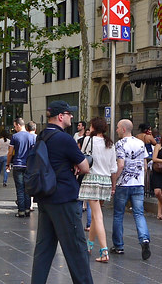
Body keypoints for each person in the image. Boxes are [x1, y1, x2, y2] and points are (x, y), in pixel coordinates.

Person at [30, 101, 93, 284]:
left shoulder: (42, 136)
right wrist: (85, 160)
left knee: (44, 248)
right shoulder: (64, 138)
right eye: (69, 113)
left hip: (45, 197)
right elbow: (85, 167)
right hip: (64, 199)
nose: (71, 117)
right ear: (60, 116)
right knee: (76, 249)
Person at [110, 118, 151, 260]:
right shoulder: (140, 143)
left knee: (118, 214)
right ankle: (144, 239)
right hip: (138, 183)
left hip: (123, 184)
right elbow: (145, 166)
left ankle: (118, 245)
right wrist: (142, 181)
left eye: (117, 128)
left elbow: (120, 165)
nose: (116, 130)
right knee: (139, 214)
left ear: (123, 129)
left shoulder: (120, 144)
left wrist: (114, 182)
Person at [78, 116, 116, 263]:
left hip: (93, 179)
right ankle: (89, 245)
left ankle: (104, 251)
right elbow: (113, 167)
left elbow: (83, 158)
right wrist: (113, 185)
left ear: (93, 127)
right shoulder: (110, 144)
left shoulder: (89, 140)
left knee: (97, 215)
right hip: (106, 180)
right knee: (95, 215)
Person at [9, 117, 35, 217]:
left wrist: (8, 164)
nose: (15, 128)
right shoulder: (32, 137)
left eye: (15, 126)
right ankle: (28, 210)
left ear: (19, 125)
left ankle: (21, 211)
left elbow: (10, 152)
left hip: (18, 164)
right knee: (27, 188)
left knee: (20, 189)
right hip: (28, 165)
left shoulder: (15, 137)